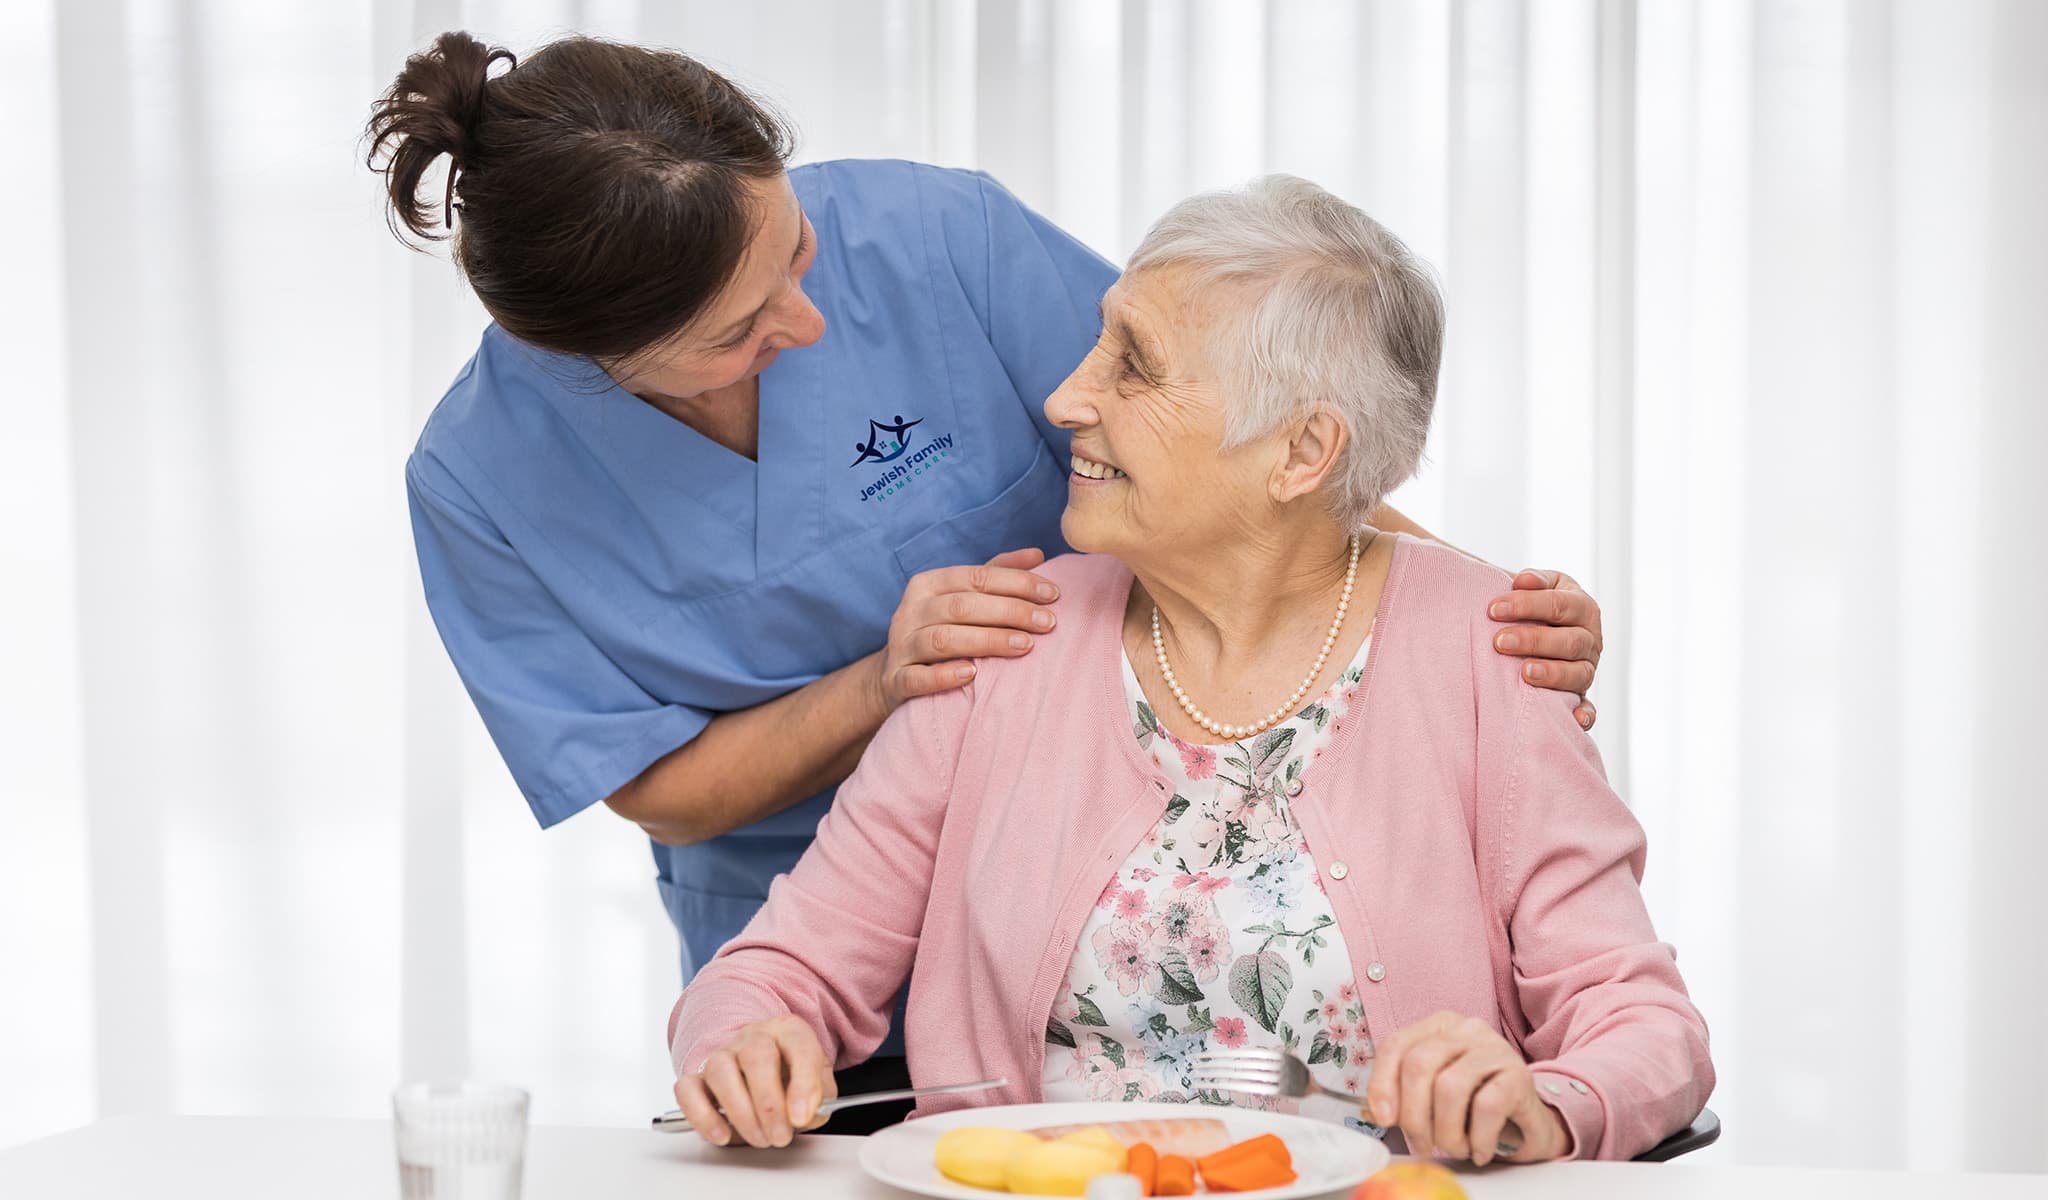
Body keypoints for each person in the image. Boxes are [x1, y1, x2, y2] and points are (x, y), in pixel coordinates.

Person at [367, 33, 1613, 1131]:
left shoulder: (932, 241)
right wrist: (886, 683)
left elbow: (1251, 436)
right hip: (823, 936)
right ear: (590, 360)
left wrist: (1473, 626)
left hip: (1162, 890)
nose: (805, 323)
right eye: (736, 332)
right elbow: (661, 794)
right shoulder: (480, 480)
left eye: (797, 250)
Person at [667, 176, 1712, 1162]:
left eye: (1132, 364)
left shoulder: (1485, 655)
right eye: (1095, 342)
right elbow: (780, 966)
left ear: (1301, 453)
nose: (1066, 398)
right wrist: (748, 1038)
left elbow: (1640, 1023)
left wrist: (1537, 1103)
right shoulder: (1007, 639)